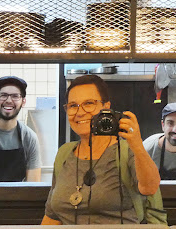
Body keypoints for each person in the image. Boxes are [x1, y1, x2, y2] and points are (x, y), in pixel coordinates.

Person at [42, 75, 160, 225]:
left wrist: (137, 144)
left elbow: (149, 188)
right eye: (73, 105)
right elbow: (52, 216)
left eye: (89, 103)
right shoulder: (64, 153)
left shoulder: (126, 150)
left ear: (106, 107)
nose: (80, 112)